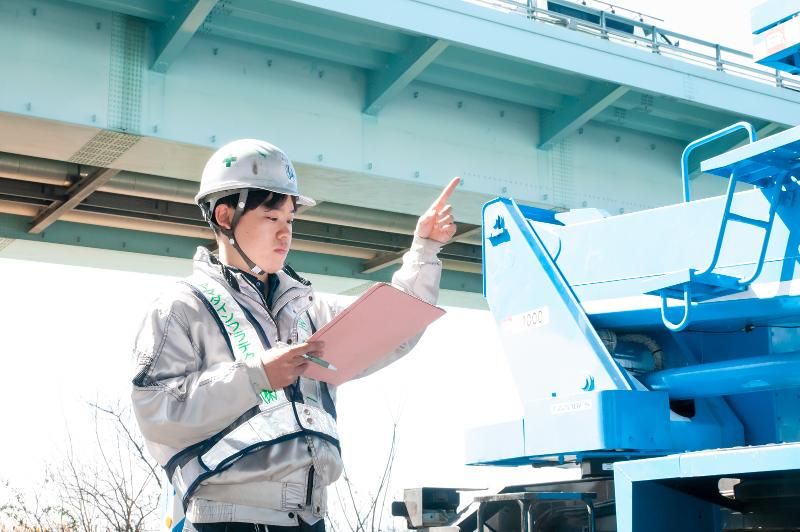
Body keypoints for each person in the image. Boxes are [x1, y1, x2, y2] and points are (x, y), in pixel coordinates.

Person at [131, 138, 459, 531]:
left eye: (290, 220)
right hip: (226, 521)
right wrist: (256, 376)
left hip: (310, 518)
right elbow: (157, 414)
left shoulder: (308, 309)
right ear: (224, 216)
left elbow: (395, 328)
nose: (285, 234)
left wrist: (424, 251)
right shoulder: (181, 307)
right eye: (272, 218)